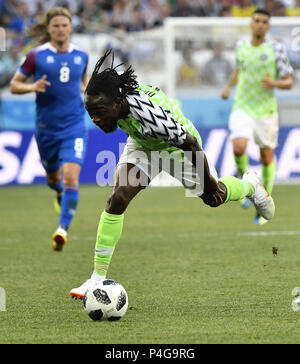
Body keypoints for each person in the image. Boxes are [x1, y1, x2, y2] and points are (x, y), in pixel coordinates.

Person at [69, 49, 275, 299]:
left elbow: (189, 144)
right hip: (143, 144)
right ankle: (96, 279)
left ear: (118, 103)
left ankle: (250, 185)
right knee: (118, 198)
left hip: (178, 147)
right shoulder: (111, 100)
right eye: (91, 113)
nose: (95, 118)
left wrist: (209, 186)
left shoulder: (148, 115)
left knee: (216, 196)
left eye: (100, 112)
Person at [10, 7, 89, 251]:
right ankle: (58, 192)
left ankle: (62, 229)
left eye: (64, 25)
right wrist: (32, 87)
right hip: (46, 129)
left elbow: (86, 85)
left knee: (71, 177)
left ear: (70, 27)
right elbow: (14, 85)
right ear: (48, 29)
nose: (60, 29)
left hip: (74, 126)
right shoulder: (36, 56)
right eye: (55, 25)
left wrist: (93, 97)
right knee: (54, 178)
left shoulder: (82, 56)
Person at [221, 9, 293, 225]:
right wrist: (227, 88)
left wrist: (275, 84)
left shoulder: (276, 49)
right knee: (238, 148)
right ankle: (249, 184)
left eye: (264, 22)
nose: (260, 24)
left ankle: (264, 200)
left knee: (266, 157)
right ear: (251, 24)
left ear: (268, 26)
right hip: (242, 106)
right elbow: (238, 70)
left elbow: (289, 81)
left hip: (266, 110)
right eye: (257, 21)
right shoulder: (241, 46)